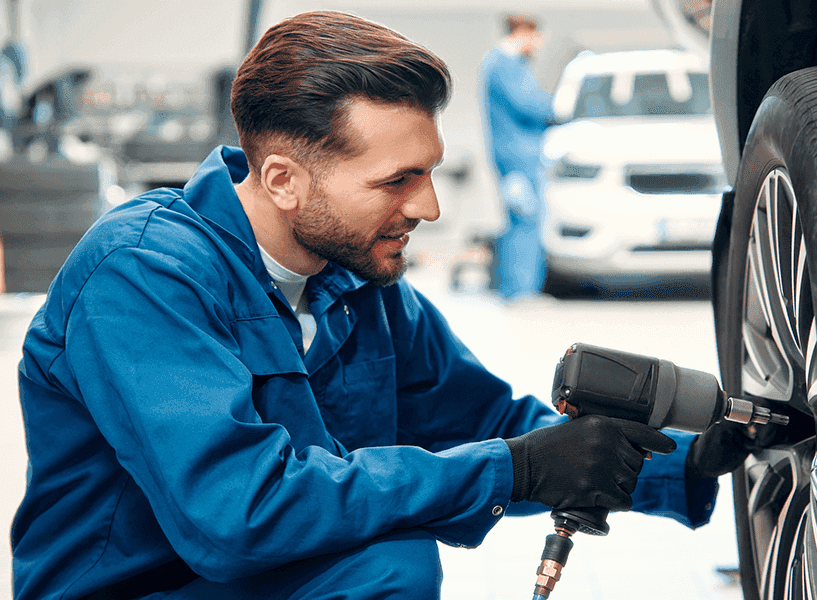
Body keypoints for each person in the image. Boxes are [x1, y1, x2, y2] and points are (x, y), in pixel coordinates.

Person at [12, 11, 752, 600]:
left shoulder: (358, 282)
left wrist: (681, 465)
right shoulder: (143, 274)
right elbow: (237, 513)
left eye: (427, 172)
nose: (428, 206)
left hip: (264, 580)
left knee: (384, 562)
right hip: (147, 586)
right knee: (389, 565)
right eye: (396, 180)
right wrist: (511, 470)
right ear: (281, 180)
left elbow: (491, 427)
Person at [479, 14, 554, 300]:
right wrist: (557, 106)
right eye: (537, 37)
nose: (539, 44)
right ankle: (520, 291)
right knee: (524, 220)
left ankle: (521, 288)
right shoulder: (502, 65)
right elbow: (530, 105)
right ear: (524, 32)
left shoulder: (511, 65)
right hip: (516, 160)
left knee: (524, 220)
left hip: (520, 158)